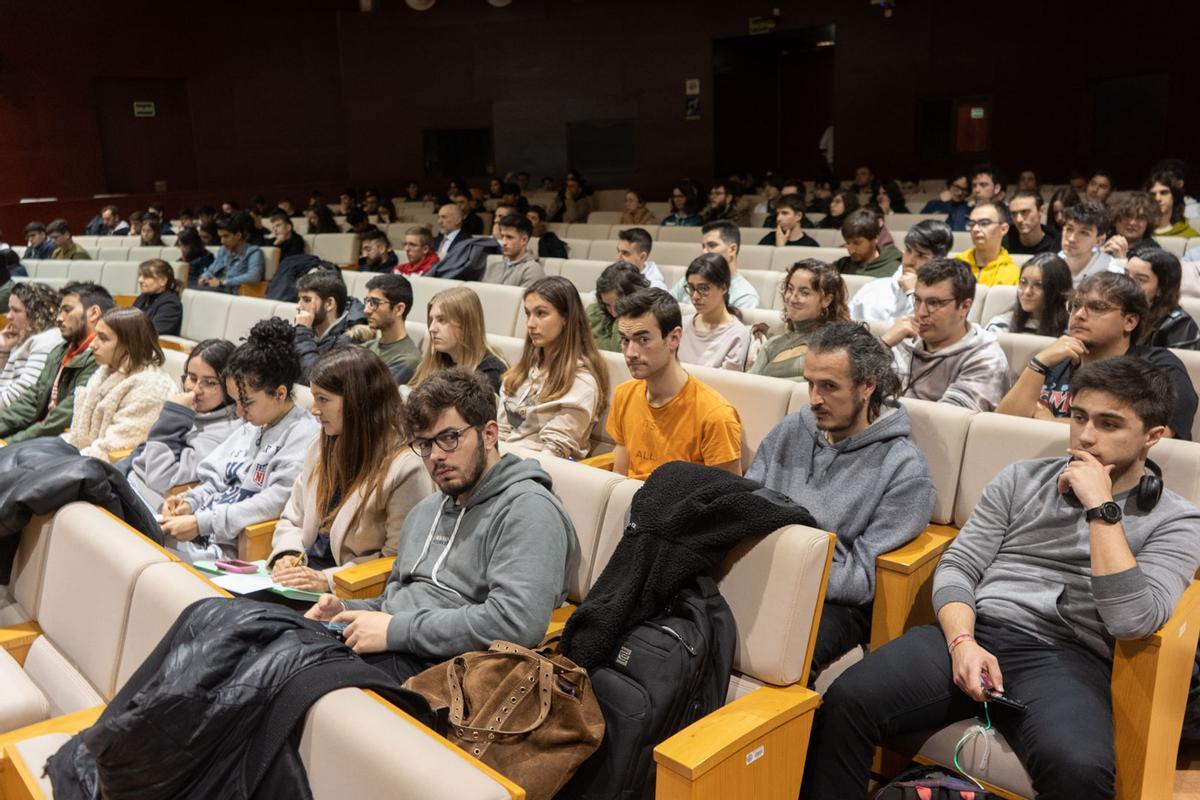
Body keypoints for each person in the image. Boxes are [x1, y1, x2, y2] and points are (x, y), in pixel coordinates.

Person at [801, 357, 1200, 800]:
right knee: (847, 700)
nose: (1086, 436)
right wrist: (962, 642)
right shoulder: (1021, 478)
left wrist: (1101, 510)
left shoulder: (1176, 520)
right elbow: (959, 566)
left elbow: (1131, 621)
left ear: (1154, 435)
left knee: (1079, 771)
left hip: (1068, 657)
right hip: (979, 629)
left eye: (1109, 424)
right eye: (1079, 417)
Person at [304, 367, 576, 680]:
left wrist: (396, 630)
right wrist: (348, 609)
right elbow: (395, 599)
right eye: (424, 444)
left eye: (449, 438)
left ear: (489, 434)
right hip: (394, 649)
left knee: (303, 681)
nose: (435, 456)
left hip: (448, 671)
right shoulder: (426, 511)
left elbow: (515, 622)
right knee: (269, 638)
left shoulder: (528, 510)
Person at [747, 322, 936, 681]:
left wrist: (788, 566)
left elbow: (863, 579)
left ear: (867, 385)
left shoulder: (903, 469)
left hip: (834, 602)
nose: (814, 399)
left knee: (784, 650)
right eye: (810, 384)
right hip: (767, 570)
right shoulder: (792, 429)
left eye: (829, 387)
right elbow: (747, 504)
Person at [267, 347, 434, 592]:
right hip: (300, 581)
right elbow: (293, 517)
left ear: (358, 402)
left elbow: (399, 560)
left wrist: (328, 581)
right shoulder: (321, 445)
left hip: (350, 594)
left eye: (323, 399)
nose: (314, 409)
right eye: (313, 397)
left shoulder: (406, 468)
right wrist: (288, 554)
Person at [161, 319, 320, 563]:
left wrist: (202, 522)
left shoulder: (305, 436)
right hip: (201, 533)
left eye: (246, 403)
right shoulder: (252, 426)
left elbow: (273, 503)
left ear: (279, 393)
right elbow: (217, 482)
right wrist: (190, 501)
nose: (239, 413)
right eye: (235, 402)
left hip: (229, 552)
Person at [997, 272, 1197, 440]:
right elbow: (1000, 429)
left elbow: (1156, 437)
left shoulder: (1159, 368)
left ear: (1130, 321)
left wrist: (1048, 421)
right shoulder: (1054, 360)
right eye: (1075, 306)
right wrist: (1038, 364)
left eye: (1097, 307)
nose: (1079, 315)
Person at [604, 288, 742, 480]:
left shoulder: (716, 416)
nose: (630, 353)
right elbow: (619, 478)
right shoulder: (624, 395)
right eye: (625, 340)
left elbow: (727, 498)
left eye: (643, 339)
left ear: (674, 338)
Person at [120, 339, 241, 511]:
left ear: (230, 385)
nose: (196, 389)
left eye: (210, 383)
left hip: (150, 507)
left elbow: (159, 479)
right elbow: (144, 453)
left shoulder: (225, 432)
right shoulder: (194, 411)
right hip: (129, 486)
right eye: (192, 378)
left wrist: (172, 415)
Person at [498, 276, 608, 459]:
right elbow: (500, 432)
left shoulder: (581, 382)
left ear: (566, 318)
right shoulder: (521, 371)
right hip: (500, 462)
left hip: (536, 475)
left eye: (541, 313)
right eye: (528, 313)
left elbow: (553, 452)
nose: (530, 324)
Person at [881, 258, 1010, 411]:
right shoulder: (903, 338)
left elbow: (948, 424)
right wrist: (882, 344)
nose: (921, 313)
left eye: (934, 303)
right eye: (917, 299)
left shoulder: (985, 358)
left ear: (964, 307)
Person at [0, 282, 111, 443]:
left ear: (94, 313)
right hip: (36, 439)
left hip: (59, 445)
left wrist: (9, 443)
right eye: (60, 310)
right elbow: (31, 401)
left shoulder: (100, 358)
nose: (59, 318)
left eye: (67, 310)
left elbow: (62, 419)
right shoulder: (59, 351)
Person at [60, 308, 174, 460]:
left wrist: (61, 461)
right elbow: (80, 435)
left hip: (104, 471)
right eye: (95, 336)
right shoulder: (104, 371)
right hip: (83, 457)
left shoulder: (150, 388)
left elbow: (112, 450)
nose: (92, 345)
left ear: (130, 344)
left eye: (103, 338)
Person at [751, 260, 848, 381]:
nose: (792, 298)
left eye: (804, 293)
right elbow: (747, 385)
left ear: (826, 300)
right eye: (790, 289)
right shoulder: (772, 344)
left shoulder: (836, 346)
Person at [849, 220, 954, 323]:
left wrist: (912, 293)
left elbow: (928, 334)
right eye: (908, 250)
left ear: (941, 260)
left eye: (921, 255)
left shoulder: (948, 299)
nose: (909, 261)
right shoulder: (871, 289)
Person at [410, 286, 507, 394]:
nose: (432, 328)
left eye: (442, 320)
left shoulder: (490, 373)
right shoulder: (437, 361)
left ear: (467, 324)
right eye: (431, 320)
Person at [677, 254, 751, 371]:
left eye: (704, 289)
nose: (695, 296)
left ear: (724, 288)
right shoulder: (681, 324)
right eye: (691, 288)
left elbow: (726, 384)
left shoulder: (737, 335)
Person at [293, 270, 367, 382]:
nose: (299, 306)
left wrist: (302, 332)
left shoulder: (350, 341)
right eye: (299, 299)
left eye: (307, 300)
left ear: (329, 304)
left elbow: (316, 380)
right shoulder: (307, 329)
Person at [670, 220, 760, 309]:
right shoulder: (690, 280)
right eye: (703, 247)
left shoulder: (745, 296)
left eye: (712, 245)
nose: (704, 251)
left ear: (732, 249)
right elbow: (664, 307)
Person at [0, 282, 62, 410]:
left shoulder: (47, 340)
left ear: (37, 314)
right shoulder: (24, 338)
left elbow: (22, 394)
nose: (9, 316)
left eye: (16, 310)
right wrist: (4, 351)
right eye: (9, 309)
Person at [1126, 248, 1200, 350]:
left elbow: (1175, 364)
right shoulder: (1116, 310)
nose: (1127, 283)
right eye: (1125, 275)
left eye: (1140, 280)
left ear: (1161, 288)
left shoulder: (1179, 324)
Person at [985, 253, 1073, 336]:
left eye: (1038, 285)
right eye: (1023, 282)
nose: (1027, 292)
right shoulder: (1000, 326)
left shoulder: (1072, 330)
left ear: (1057, 289)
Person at [362, 273, 422, 384]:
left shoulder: (408, 360)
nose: (366, 310)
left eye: (375, 303)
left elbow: (369, 396)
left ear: (399, 309)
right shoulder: (367, 346)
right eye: (367, 301)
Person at [1060, 199, 1126, 285]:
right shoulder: (1056, 261)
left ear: (1099, 241)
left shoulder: (1111, 274)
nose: (1071, 239)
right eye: (1069, 229)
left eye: (1084, 233)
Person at [587, 262, 649, 352]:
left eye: (618, 305)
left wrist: (623, 318)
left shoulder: (648, 318)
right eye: (607, 305)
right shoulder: (593, 313)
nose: (614, 312)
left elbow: (622, 355)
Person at [954, 201, 1019, 286]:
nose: (975, 229)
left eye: (984, 223)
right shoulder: (956, 265)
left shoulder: (1013, 274)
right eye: (972, 224)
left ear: (1003, 229)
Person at [198, 214, 264, 293]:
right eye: (220, 237)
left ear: (238, 236)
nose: (222, 241)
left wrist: (223, 282)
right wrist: (204, 277)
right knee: (190, 289)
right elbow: (211, 270)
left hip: (233, 291)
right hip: (217, 288)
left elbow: (254, 276)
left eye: (226, 236)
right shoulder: (223, 250)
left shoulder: (253, 252)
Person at [833, 209, 902, 278]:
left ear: (875, 238)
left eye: (857, 243)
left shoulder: (895, 270)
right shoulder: (842, 265)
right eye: (847, 243)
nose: (851, 251)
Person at [483, 214, 544, 288]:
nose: (504, 242)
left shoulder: (532, 270)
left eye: (509, 237)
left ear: (524, 240)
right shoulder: (493, 267)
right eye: (502, 236)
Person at [132, 259, 183, 336]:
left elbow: (153, 332)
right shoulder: (142, 297)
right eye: (140, 276)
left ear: (163, 280)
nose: (140, 280)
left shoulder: (171, 304)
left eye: (146, 276)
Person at [948, 164, 1005, 231]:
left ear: (996, 188)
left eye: (983, 185)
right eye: (974, 186)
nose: (977, 190)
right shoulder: (959, 214)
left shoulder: (1008, 215)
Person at [1004, 190, 1060, 256]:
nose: (1018, 219)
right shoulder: (1004, 240)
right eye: (1014, 214)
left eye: (1024, 212)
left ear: (1041, 211)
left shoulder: (1057, 244)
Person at [1147, 172, 1200, 239]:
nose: (1158, 198)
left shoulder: (1191, 236)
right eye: (1152, 194)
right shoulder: (1138, 231)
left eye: (1164, 193)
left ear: (1175, 196)